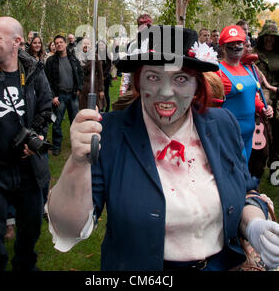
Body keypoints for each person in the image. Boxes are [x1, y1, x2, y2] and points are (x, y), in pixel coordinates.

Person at [47, 25, 279, 271]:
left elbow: (243, 191)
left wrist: (253, 225)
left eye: (180, 78)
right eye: (153, 77)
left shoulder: (222, 124)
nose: (166, 93)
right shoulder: (109, 134)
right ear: (138, 82)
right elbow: (69, 228)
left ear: (197, 85)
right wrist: (77, 162)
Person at [0, 16, 53, 271]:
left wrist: (38, 135)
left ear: (16, 42)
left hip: (28, 169)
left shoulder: (34, 70)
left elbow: (46, 108)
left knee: (30, 231)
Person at [217, 25, 273, 163]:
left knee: (244, 170)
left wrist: (263, 108)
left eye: (239, 43)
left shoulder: (249, 69)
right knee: (235, 172)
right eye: (231, 43)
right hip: (230, 135)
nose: (236, 47)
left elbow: (253, 95)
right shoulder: (217, 72)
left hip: (249, 133)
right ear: (223, 47)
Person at [45, 34, 83, 156]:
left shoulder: (73, 58)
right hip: (59, 97)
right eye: (56, 43)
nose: (59, 44)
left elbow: (80, 74)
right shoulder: (51, 61)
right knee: (57, 122)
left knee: (76, 122)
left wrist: (79, 88)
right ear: (54, 46)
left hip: (72, 96)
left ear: (65, 44)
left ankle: (76, 144)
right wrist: (53, 96)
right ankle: (56, 146)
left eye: (61, 42)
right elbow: (47, 80)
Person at [254, 21, 279, 181]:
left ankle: (275, 170)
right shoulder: (255, 54)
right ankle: (257, 169)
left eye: (273, 37)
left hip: (278, 97)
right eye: (266, 36)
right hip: (262, 99)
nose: (269, 40)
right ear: (262, 37)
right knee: (264, 136)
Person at [75, 36, 104, 111]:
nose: (86, 45)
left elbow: (100, 74)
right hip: (82, 87)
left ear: (91, 45)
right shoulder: (78, 57)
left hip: (93, 86)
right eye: (84, 43)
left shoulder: (96, 56)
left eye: (88, 43)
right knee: (83, 110)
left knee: (94, 109)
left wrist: (101, 89)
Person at [96, 40, 112, 112]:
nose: (101, 46)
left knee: (106, 93)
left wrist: (104, 75)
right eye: (99, 45)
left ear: (105, 46)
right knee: (99, 93)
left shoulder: (107, 54)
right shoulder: (96, 54)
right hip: (98, 77)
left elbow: (109, 66)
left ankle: (107, 109)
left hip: (106, 77)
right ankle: (101, 108)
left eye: (102, 45)